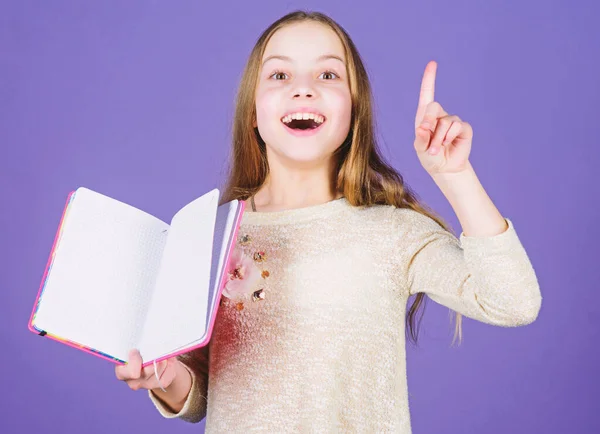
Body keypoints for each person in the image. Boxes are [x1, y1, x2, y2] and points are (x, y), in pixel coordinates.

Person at [114, 10, 542, 433]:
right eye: (280, 76)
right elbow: (201, 389)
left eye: (328, 76)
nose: (303, 90)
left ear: (355, 111)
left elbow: (513, 301)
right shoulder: (211, 234)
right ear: (253, 113)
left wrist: (455, 176)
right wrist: (165, 377)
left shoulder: (393, 232)